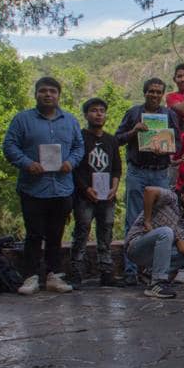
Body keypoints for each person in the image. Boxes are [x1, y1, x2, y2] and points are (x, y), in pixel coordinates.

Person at [2, 77, 84, 295]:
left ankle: (53, 276)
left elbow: (79, 147)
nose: (48, 95)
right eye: (43, 91)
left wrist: (71, 162)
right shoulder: (22, 120)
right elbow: (9, 146)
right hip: (33, 187)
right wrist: (27, 164)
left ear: (59, 95)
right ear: (36, 94)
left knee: (56, 234)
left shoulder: (70, 121)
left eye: (53, 91)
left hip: (62, 187)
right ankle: (30, 277)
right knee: (34, 234)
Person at [115, 78, 182, 285]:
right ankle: (130, 270)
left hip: (160, 173)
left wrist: (167, 147)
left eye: (158, 92)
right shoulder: (134, 113)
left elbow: (178, 142)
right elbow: (117, 139)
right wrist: (134, 132)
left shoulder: (168, 115)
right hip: (138, 172)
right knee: (134, 220)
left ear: (162, 94)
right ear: (144, 93)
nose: (154, 95)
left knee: (160, 221)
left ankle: (153, 271)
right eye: (151, 91)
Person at [124, 179, 184, 299]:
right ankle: (157, 284)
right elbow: (149, 191)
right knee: (166, 232)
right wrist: (147, 220)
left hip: (151, 255)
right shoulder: (171, 198)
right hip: (136, 245)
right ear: (183, 193)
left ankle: (151, 273)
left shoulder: (182, 223)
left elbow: (183, 249)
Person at [69, 97, 122, 288]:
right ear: (86, 115)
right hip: (85, 196)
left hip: (107, 195)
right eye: (94, 110)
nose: (98, 114)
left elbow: (116, 168)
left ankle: (106, 272)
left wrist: (114, 188)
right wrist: (85, 188)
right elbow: (74, 167)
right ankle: (76, 272)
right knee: (82, 231)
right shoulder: (79, 138)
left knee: (106, 232)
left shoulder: (111, 140)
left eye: (102, 110)